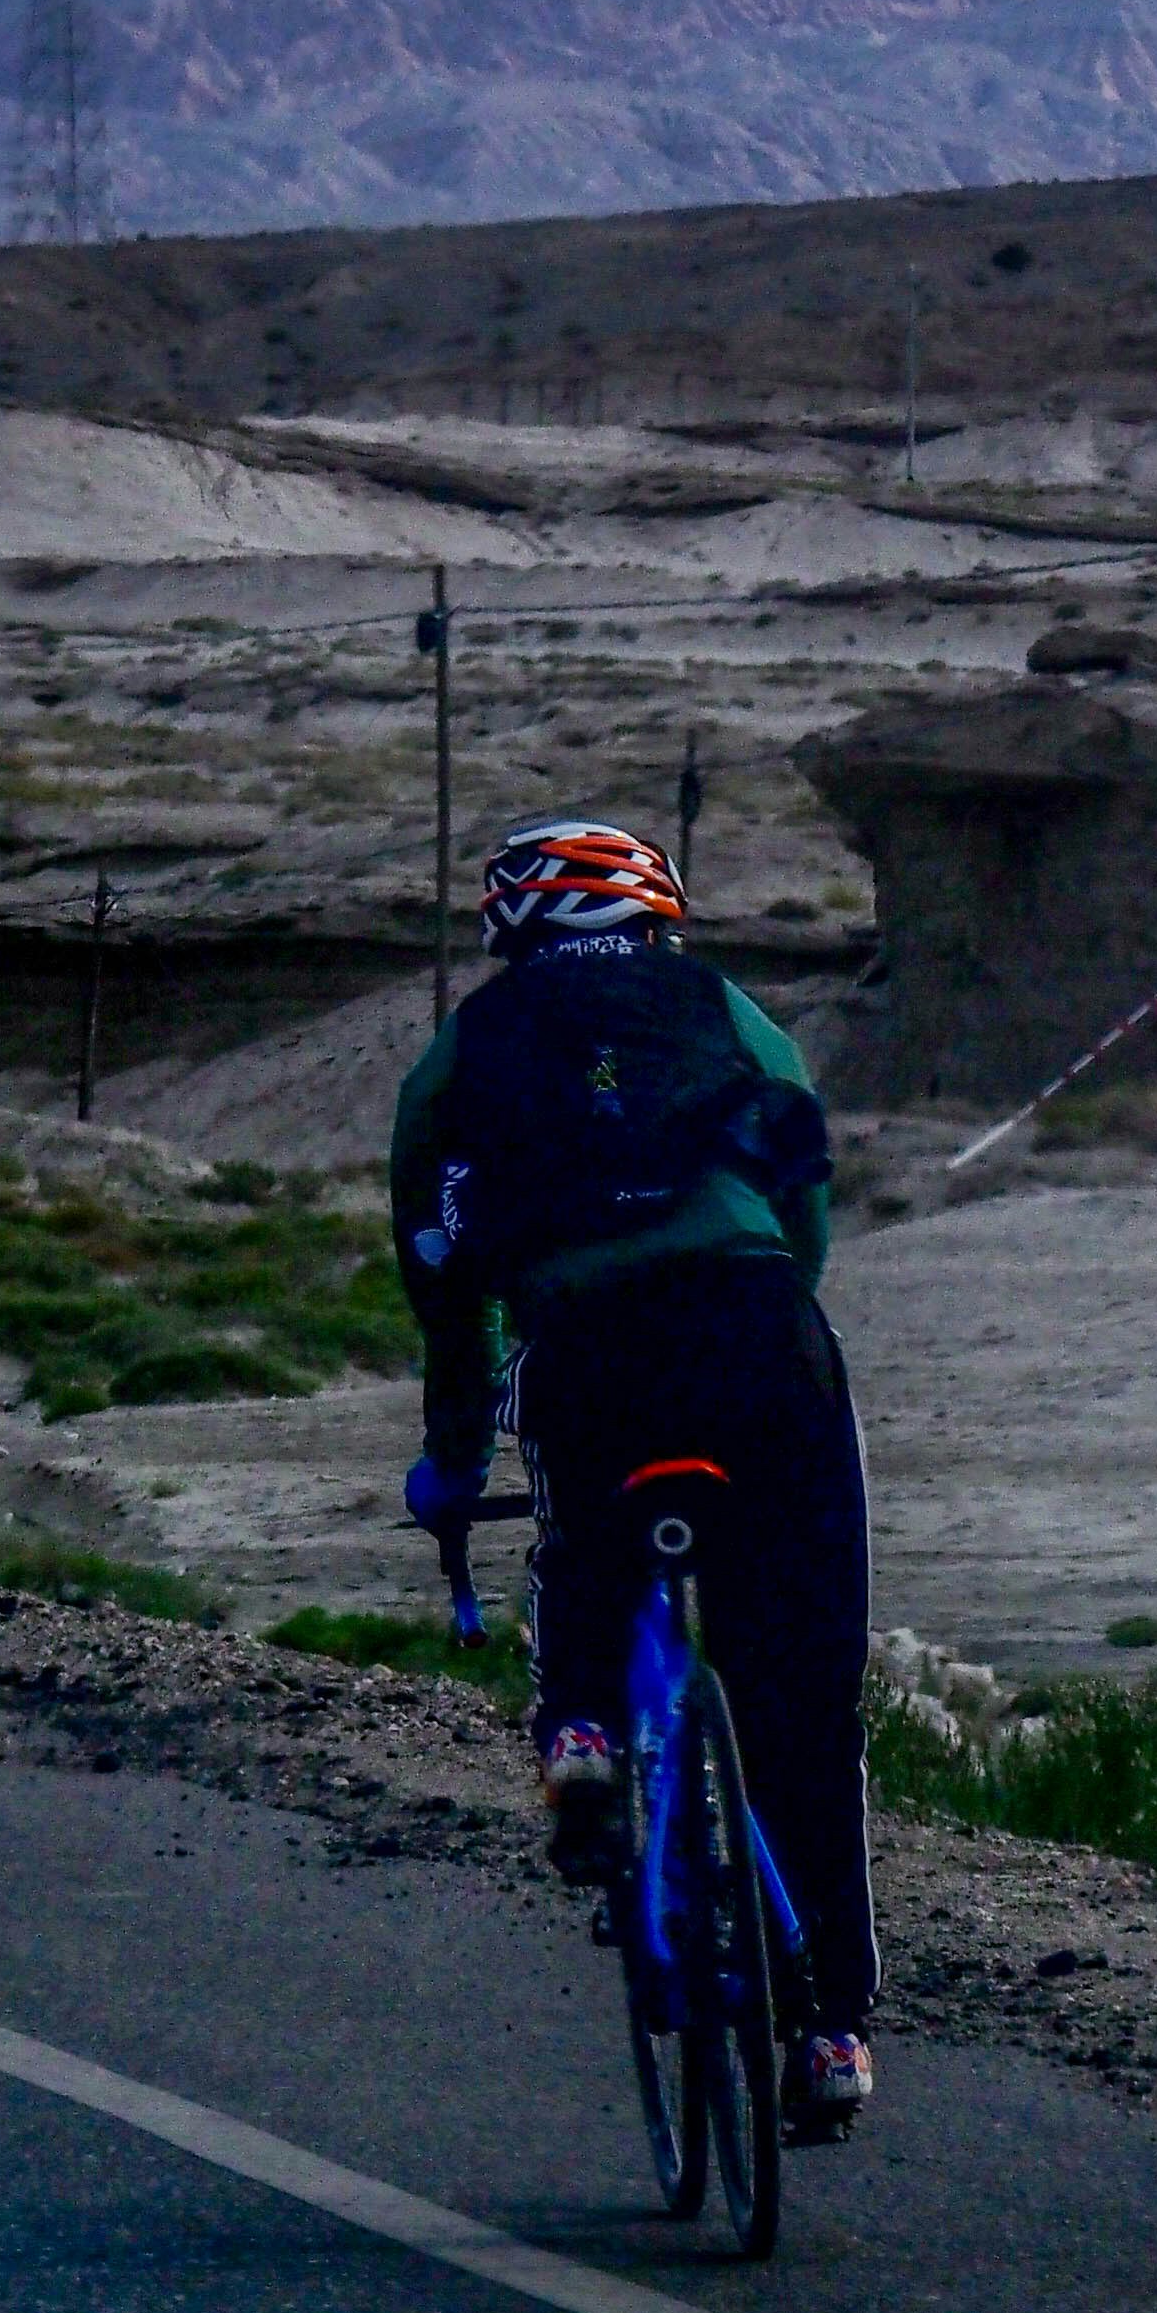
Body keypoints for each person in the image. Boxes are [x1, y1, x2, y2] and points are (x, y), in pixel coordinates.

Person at [388, 815, 878, 2142]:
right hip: (763, 1339)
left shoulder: (465, 1048)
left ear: (513, 927)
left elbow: (448, 1286)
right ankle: (831, 2026)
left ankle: (586, 1736)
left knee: (588, 1551)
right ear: (660, 912)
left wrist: (450, 1464)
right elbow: (807, 1202)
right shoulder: (733, 1013)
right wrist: (773, 1318)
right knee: (806, 1699)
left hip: (593, 1347)